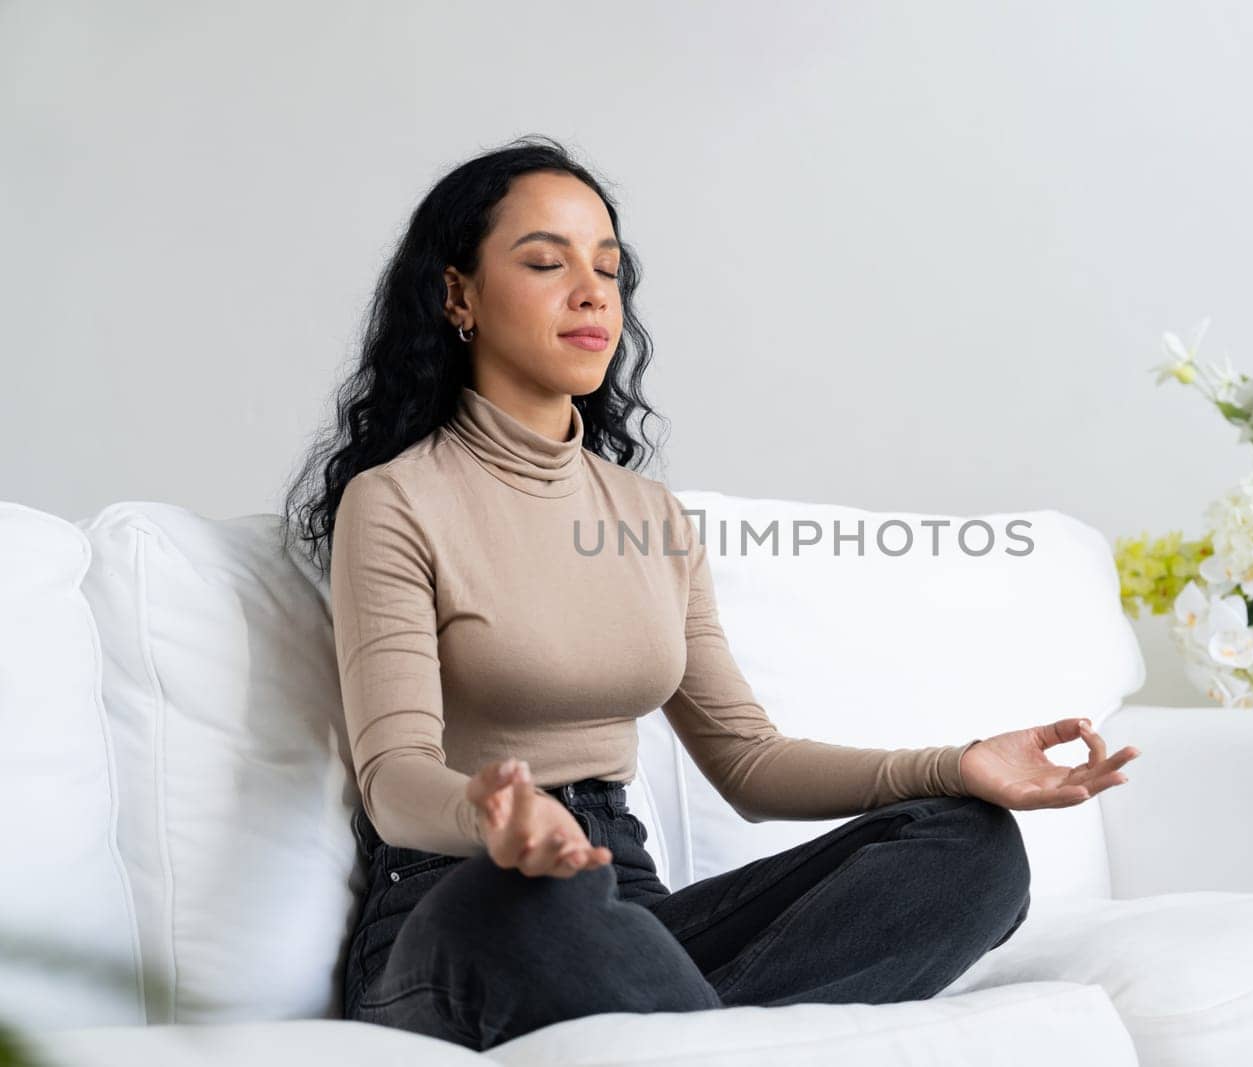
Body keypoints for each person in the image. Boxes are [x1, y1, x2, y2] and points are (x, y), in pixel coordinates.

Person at [282, 134, 1140, 1053]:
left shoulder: (650, 516)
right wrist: (491, 817)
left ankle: (675, 1033)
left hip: (632, 913)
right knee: (541, 903)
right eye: (545, 261)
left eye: (609, 269)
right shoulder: (397, 500)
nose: (591, 292)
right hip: (463, 899)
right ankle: (700, 1031)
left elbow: (750, 761)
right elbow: (393, 776)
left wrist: (956, 764)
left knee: (972, 848)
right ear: (458, 294)